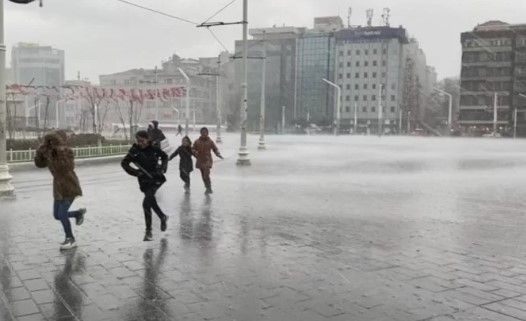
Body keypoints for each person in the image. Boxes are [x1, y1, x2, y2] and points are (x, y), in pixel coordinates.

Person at [34, 130, 86, 250]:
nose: (51, 143)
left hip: (69, 186)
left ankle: (70, 239)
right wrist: (40, 152)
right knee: (57, 215)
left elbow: (66, 167)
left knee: (62, 214)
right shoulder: (50, 152)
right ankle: (78, 213)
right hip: (58, 187)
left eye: (54, 141)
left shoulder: (67, 152)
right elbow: (39, 164)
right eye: (49, 141)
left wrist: (59, 151)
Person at [121, 130, 169, 241]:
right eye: (138, 141)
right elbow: (124, 163)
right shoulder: (134, 151)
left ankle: (148, 232)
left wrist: (162, 168)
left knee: (146, 202)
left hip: (156, 178)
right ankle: (162, 217)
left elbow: (165, 157)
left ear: (148, 140)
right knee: (150, 199)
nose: (140, 143)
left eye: (142, 140)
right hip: (144, 180)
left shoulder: (154, 148)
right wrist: (135, 172)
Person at [192, 127, 223, 194]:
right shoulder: (197, 141)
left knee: (206, 174)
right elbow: (193, 148)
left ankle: (209, 188)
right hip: (200, 160)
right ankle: (207, 187)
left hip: (207, 160)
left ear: (207, 133)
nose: (204, 134)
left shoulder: (210, 141)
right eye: (203, 132)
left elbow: (215, 149)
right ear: (201, 133)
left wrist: (218, 154)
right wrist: (195, 152)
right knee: (203, 176)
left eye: (205, 132)